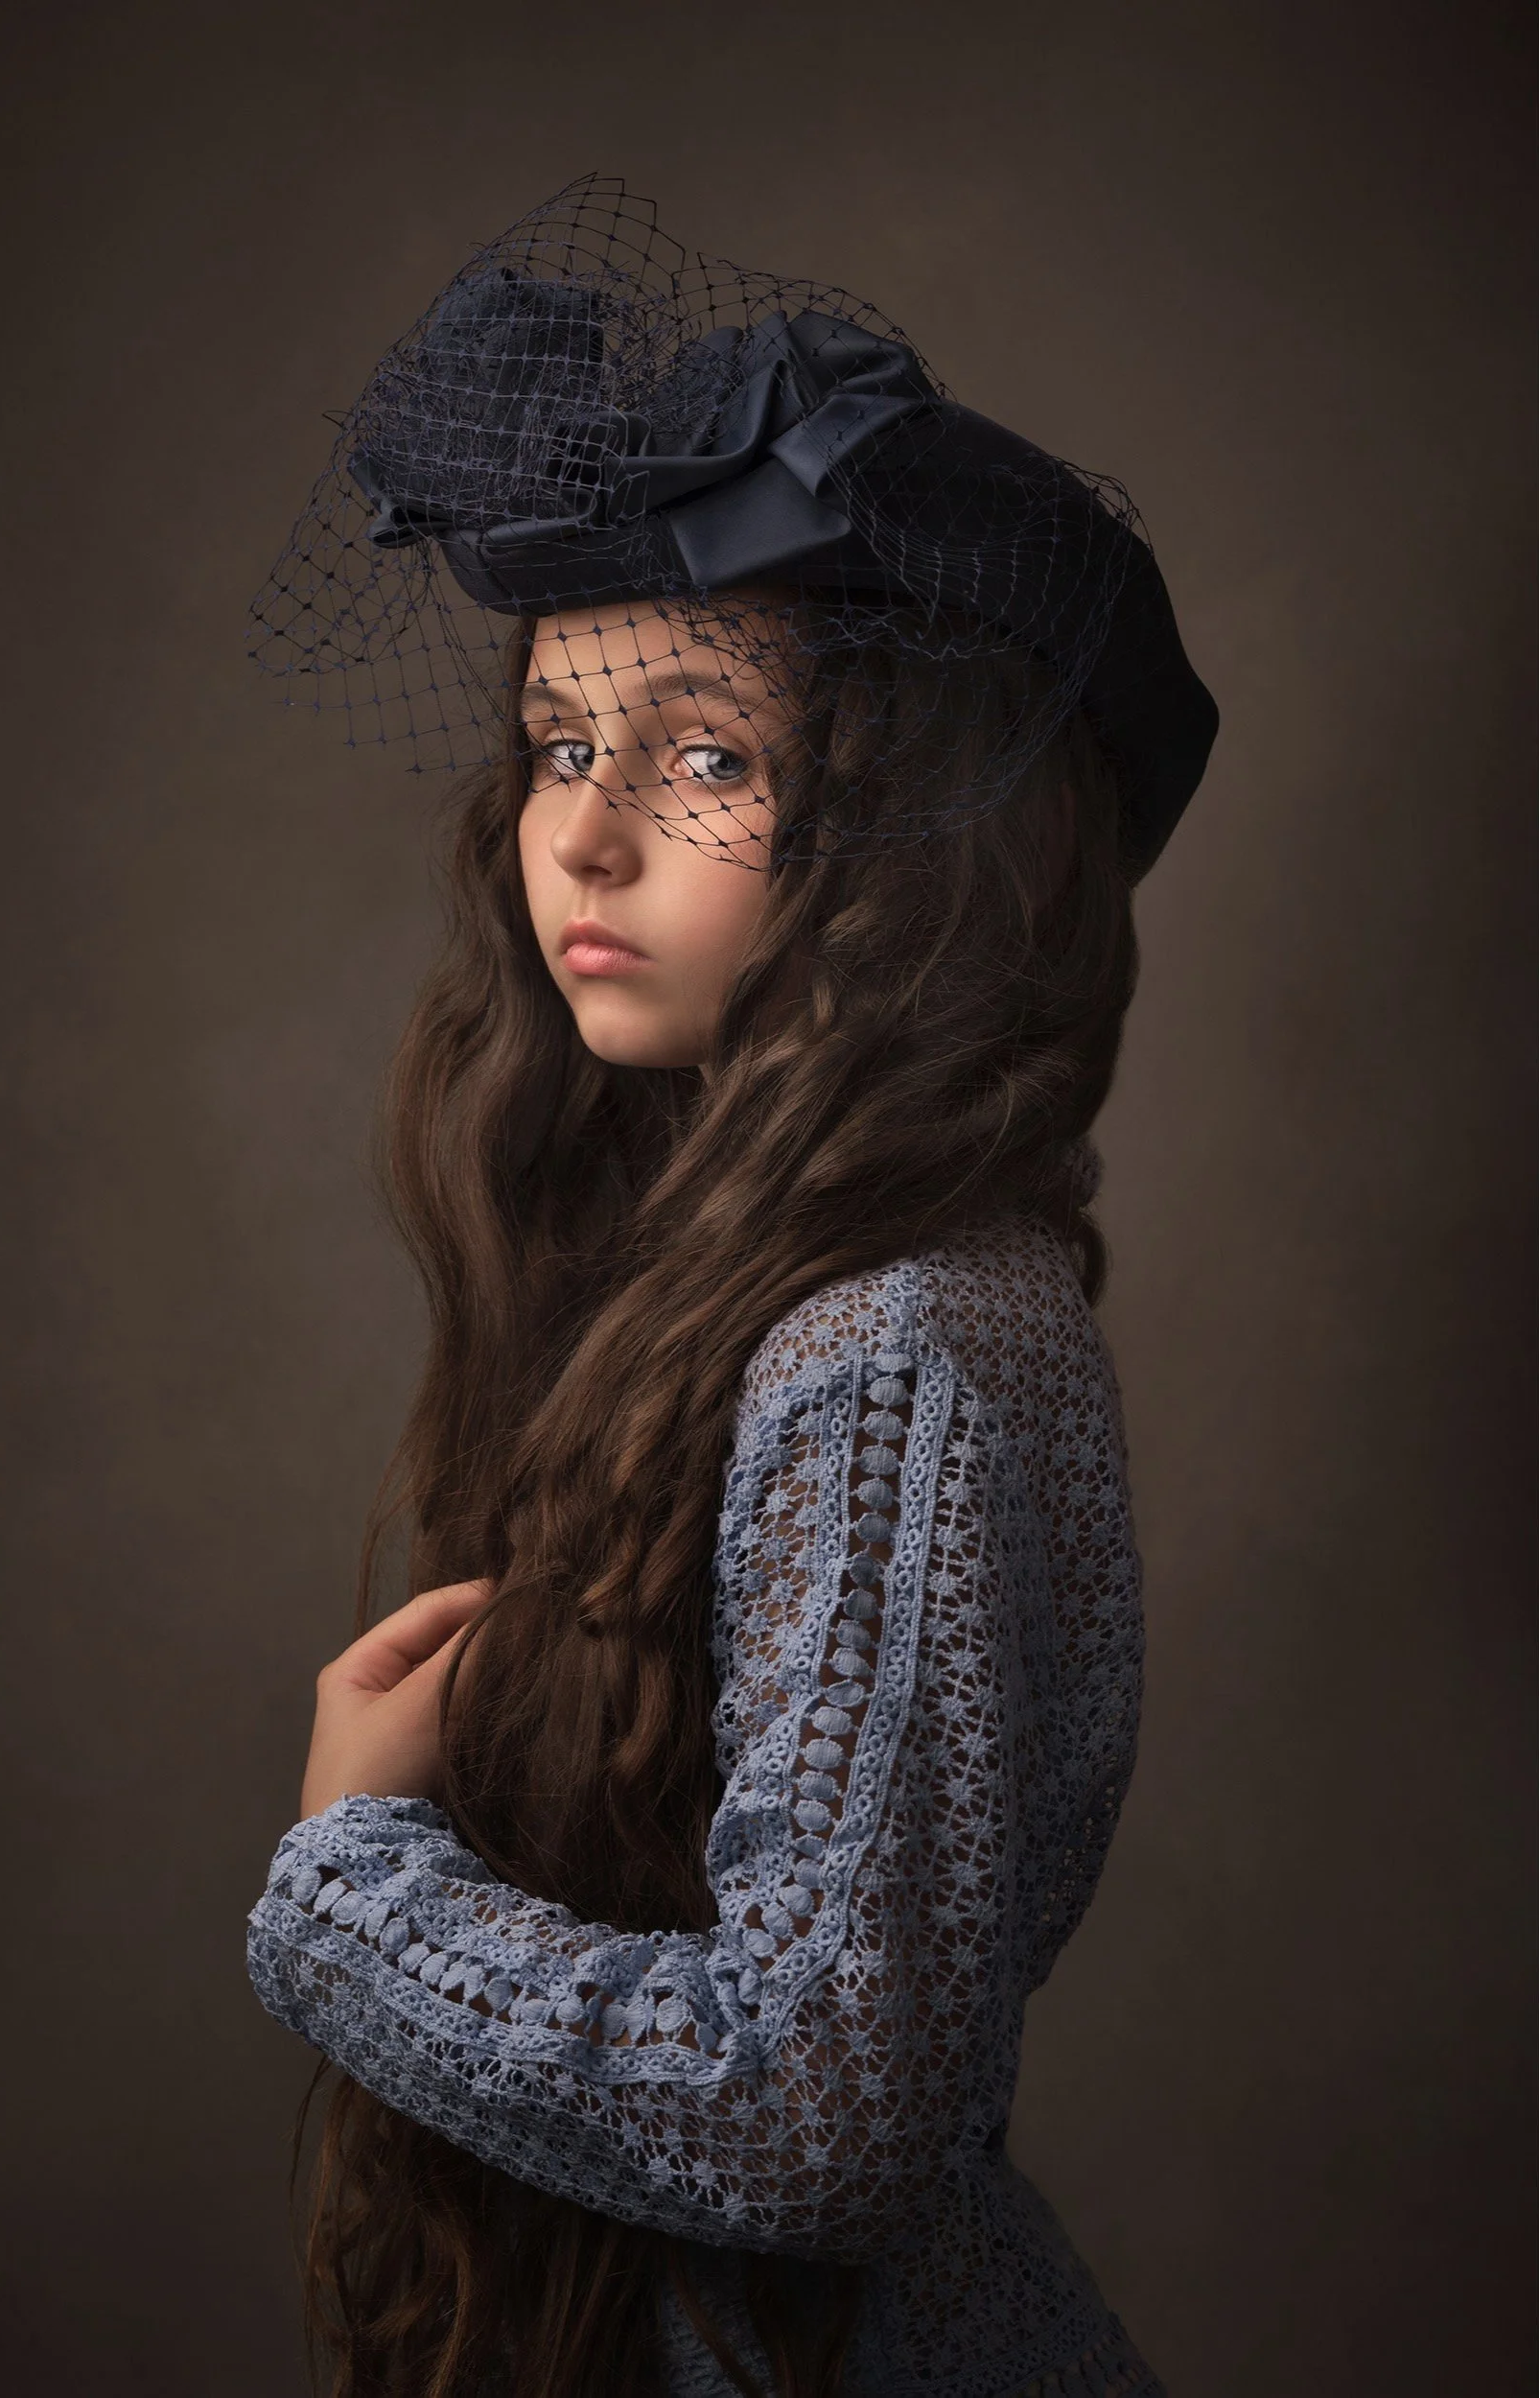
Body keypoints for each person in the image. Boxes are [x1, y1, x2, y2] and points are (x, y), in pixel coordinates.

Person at [245, 177, 1217, 2398]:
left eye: (702, 754)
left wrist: (351, 1874)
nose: (580, 836)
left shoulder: (896, 1344)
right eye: (560, 745)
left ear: (906, 835)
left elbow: (821, 2095)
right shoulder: (734, 1287)